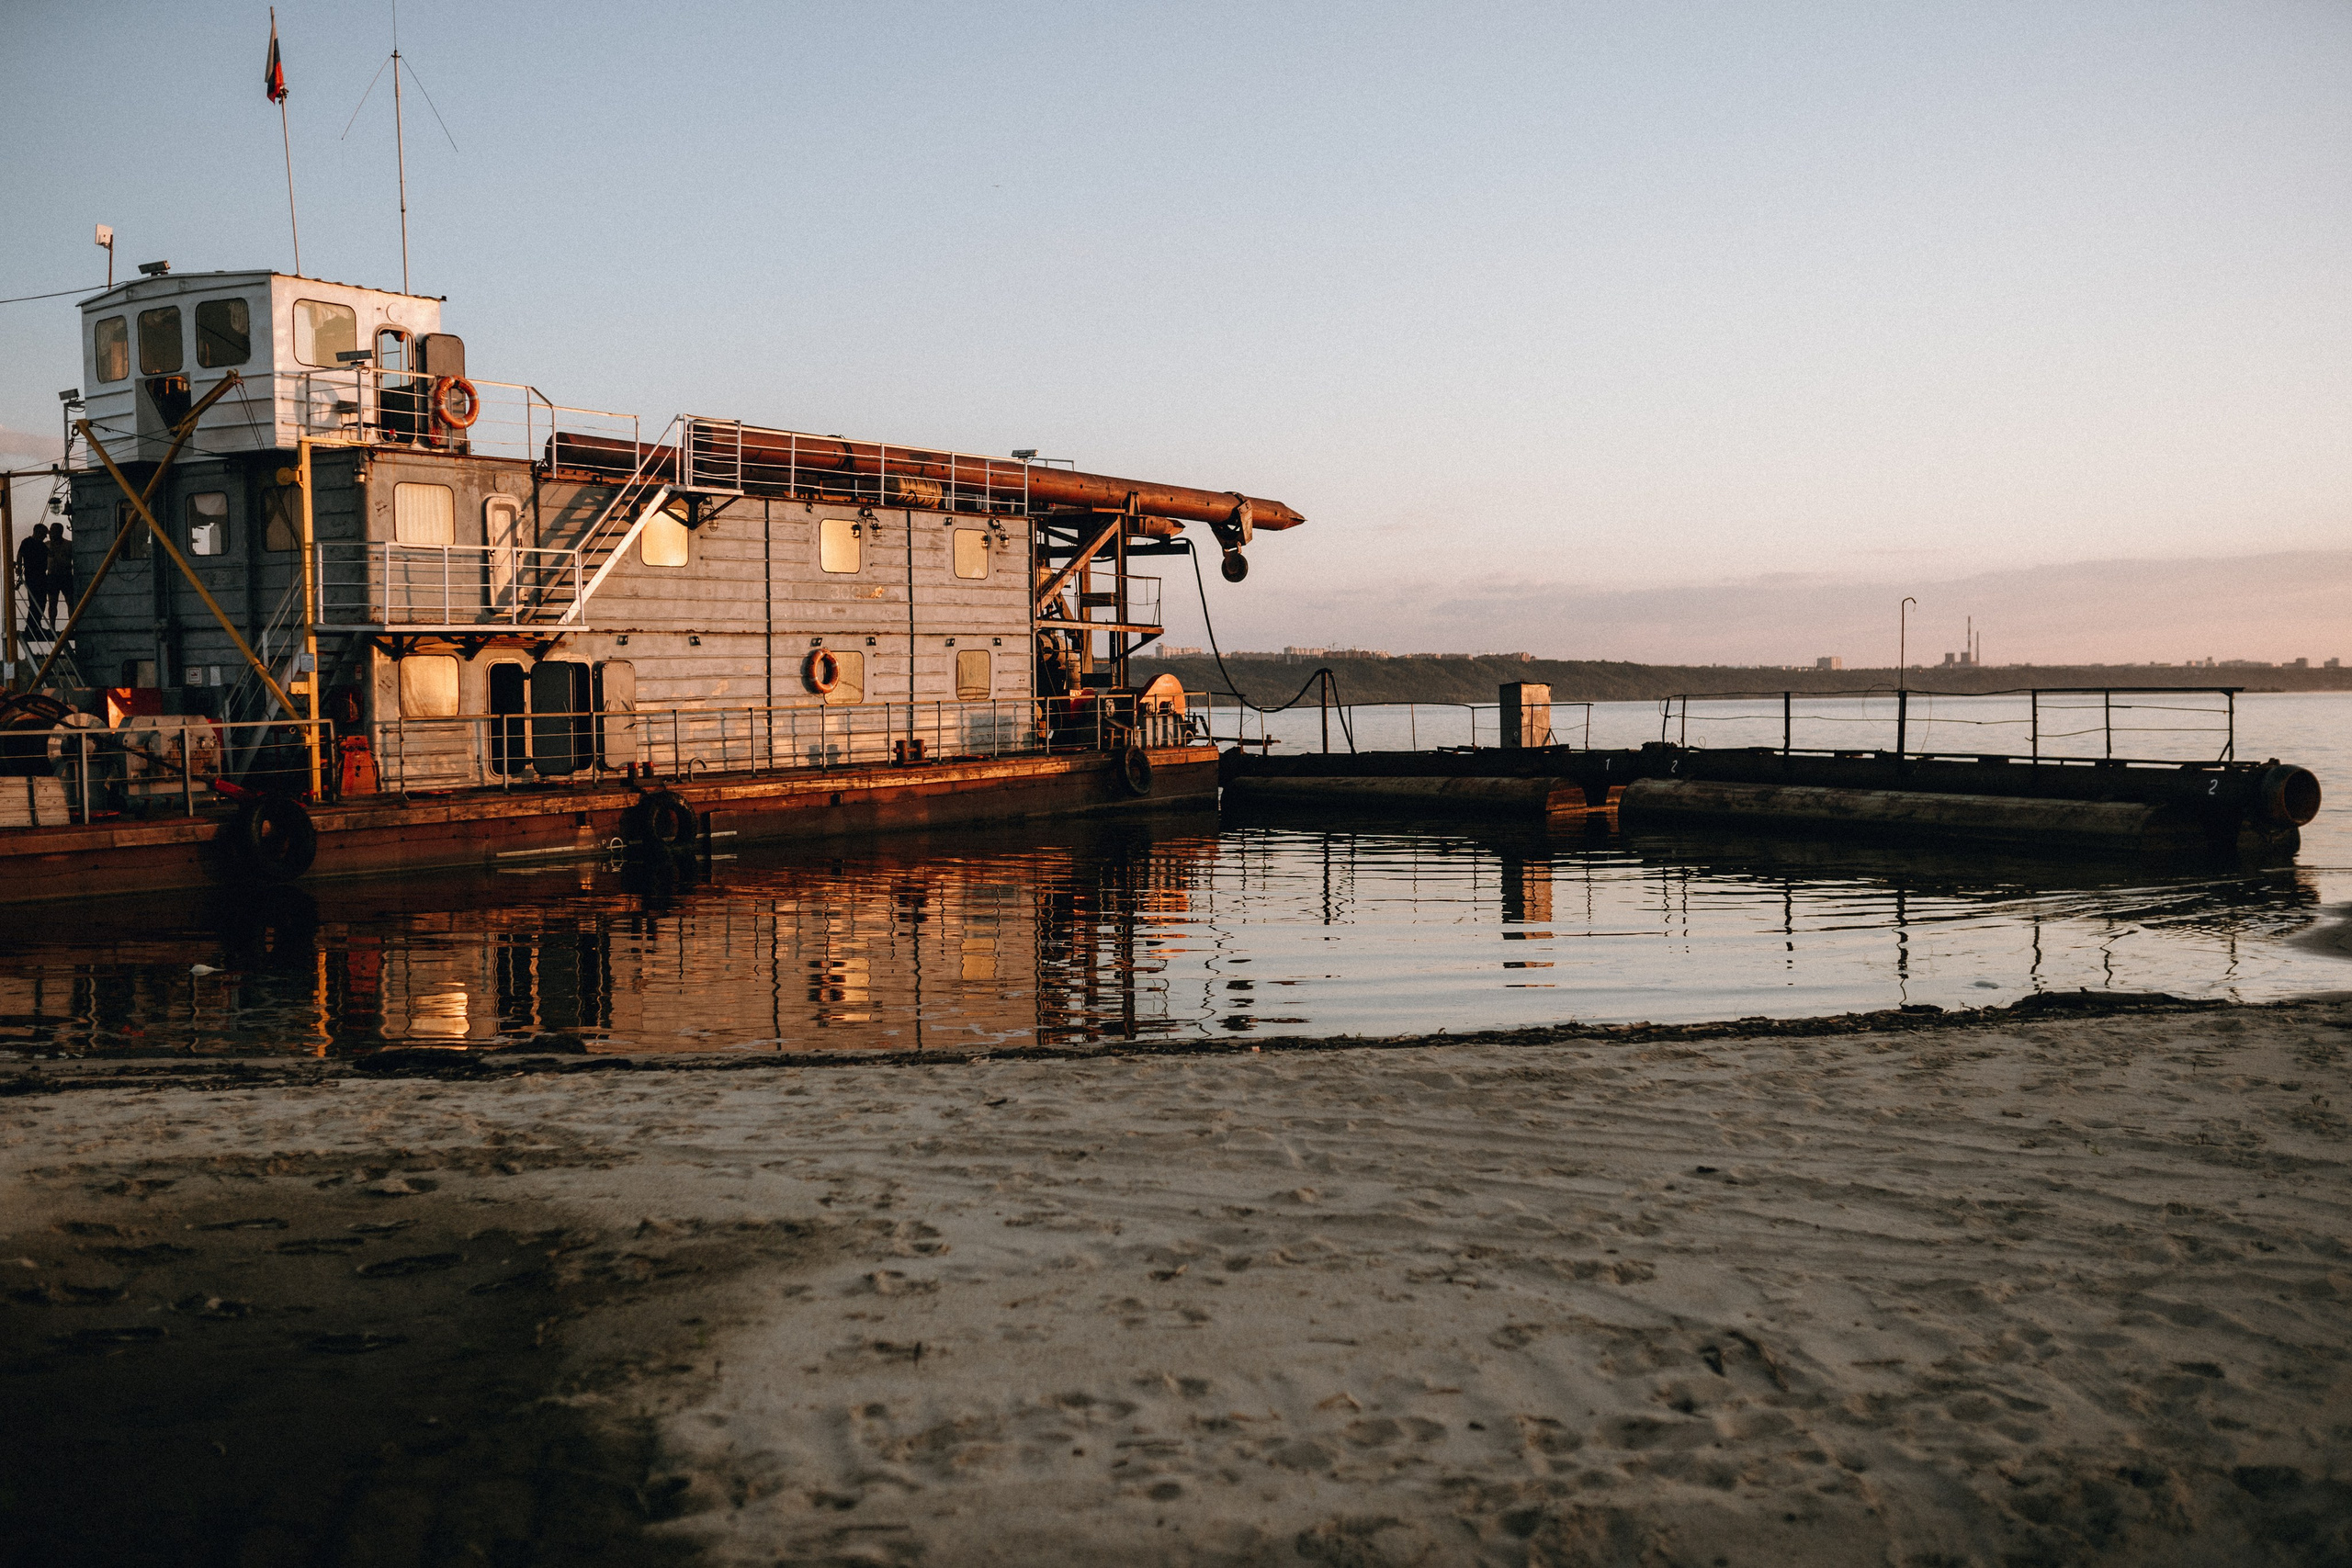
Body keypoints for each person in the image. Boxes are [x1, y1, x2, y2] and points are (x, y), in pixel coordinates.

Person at [20, 524, 50, 637]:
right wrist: (18, 568)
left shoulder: (41, 545)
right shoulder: (27, 542)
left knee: (41, 602)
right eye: (43, 534)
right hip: (33, 576)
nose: (45, 537)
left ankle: (34, 626)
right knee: (36, 602)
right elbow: (20, 555)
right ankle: (32, 626)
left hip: (41, 576)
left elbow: (50, 554)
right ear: (38, 532)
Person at [43, 525, 72, 632]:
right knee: (52, 602)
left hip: (65, 575)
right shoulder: (46, 545)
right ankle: (53, 626)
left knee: (70, 602)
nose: (51, 534)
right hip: (53, 576)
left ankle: (70, 626)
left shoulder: (68, 545)